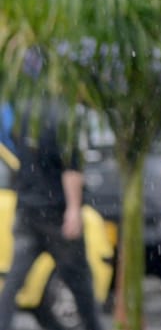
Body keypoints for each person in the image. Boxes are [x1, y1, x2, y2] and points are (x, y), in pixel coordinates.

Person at [0, 100, 106, 330]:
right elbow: (71, 169)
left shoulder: (25, 114)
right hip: (56, 215)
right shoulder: (66, 118)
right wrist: (73, 210)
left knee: (13, 282)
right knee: (80, 285)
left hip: (29, 210)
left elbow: (20, 162)